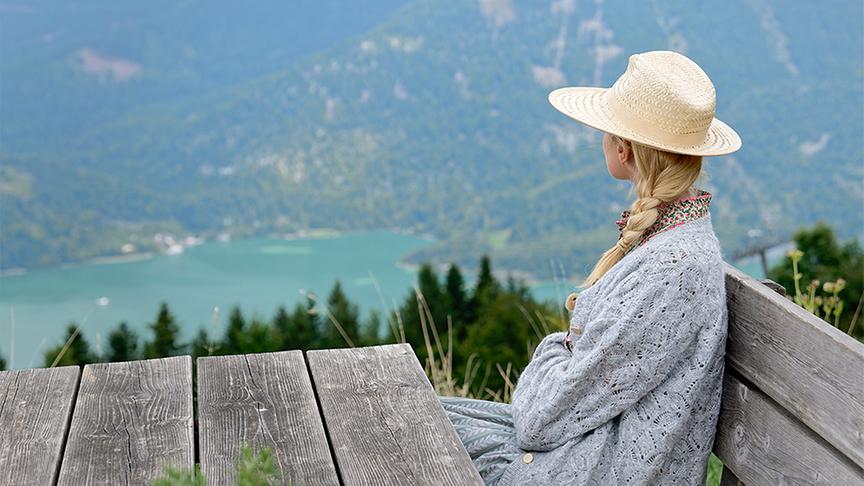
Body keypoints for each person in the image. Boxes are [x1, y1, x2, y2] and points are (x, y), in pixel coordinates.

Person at [439, 50, 741, 485]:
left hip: (591, 471)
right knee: (405, 410)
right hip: (588, 454)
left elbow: (540, 421)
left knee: (402, 431)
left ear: (624, 148)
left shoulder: (674, 270)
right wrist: (566, 354)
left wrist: (554, 347)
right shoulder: (672, 243)